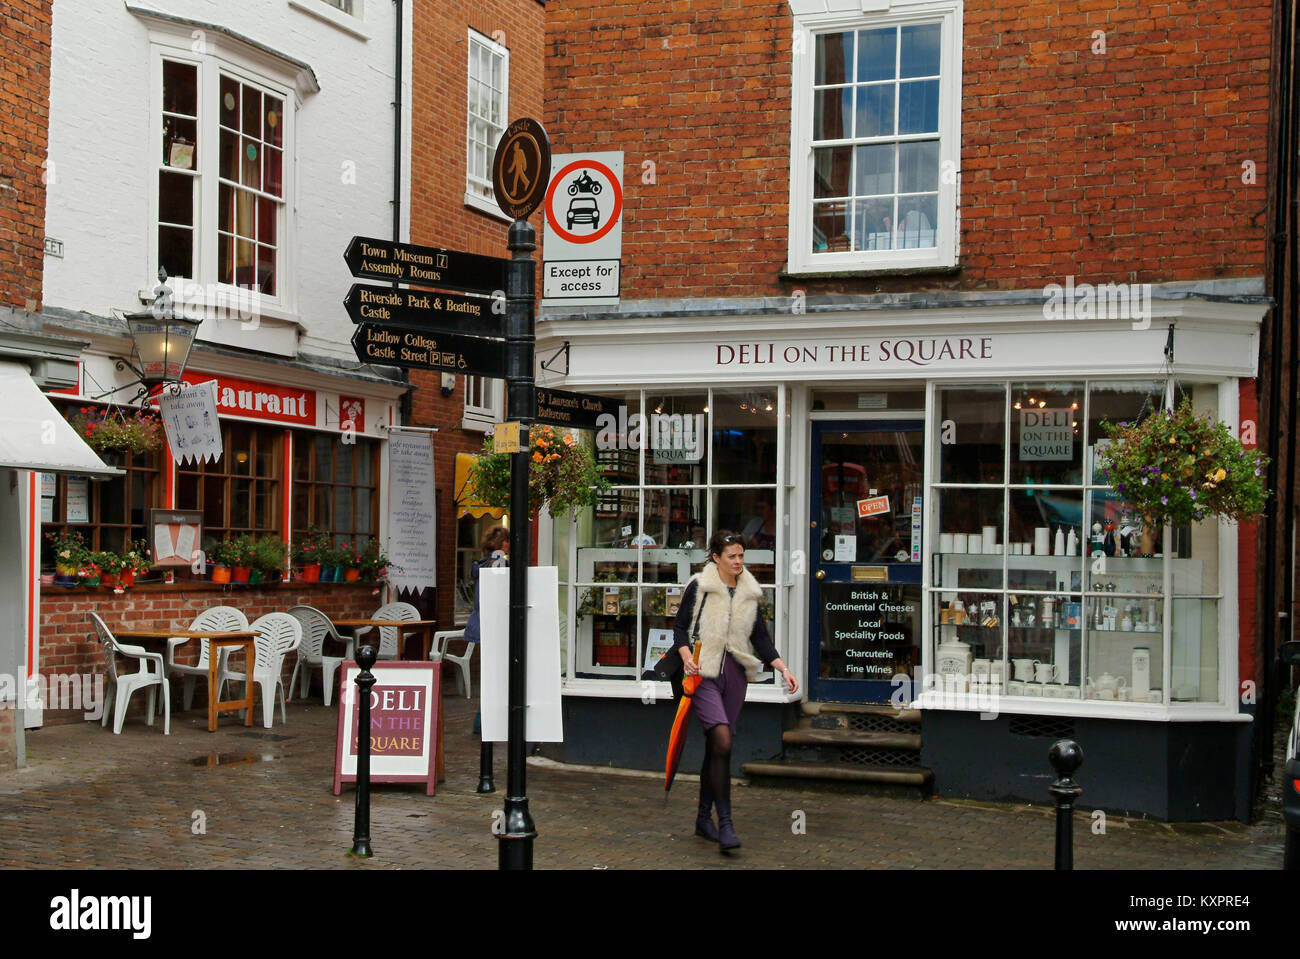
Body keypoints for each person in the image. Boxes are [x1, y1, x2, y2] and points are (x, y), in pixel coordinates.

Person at [672, 529, 798, 852]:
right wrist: (687, 658)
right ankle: (726, 823)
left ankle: (703, 818)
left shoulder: (749, 592)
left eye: (742, 556)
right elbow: (679, 627)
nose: (739, 562)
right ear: (716, 558)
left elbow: (760, 637)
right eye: (732, 556)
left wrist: (782, 667)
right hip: (704, 672)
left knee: (718, 746)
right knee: (723, 739)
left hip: (735, 675)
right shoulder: (700, 586)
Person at [464, 525, 508, 735]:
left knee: (490, 673)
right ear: (503, 543)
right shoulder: (499, 561)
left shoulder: (484, 562)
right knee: (495, 674)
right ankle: (484, 722)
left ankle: (482, 721)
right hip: (493, 624)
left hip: (481, 622)